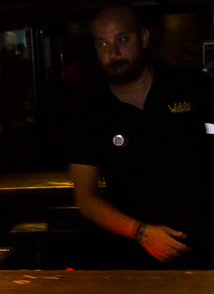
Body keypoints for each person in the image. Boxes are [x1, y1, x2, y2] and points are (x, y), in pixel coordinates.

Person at [67, 3, 214, 268]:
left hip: (206, 247)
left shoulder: (192, 86)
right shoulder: (89, 112)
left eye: (122, 39)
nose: (114, 53)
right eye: (103, 44)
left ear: (144, 38)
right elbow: (86, 199)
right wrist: (141, 233)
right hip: (134, 256)